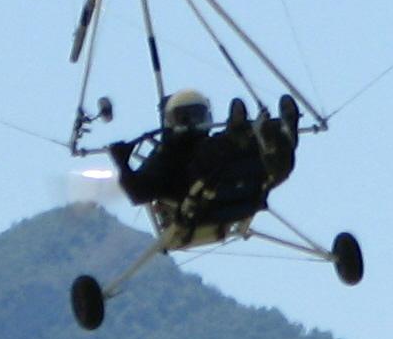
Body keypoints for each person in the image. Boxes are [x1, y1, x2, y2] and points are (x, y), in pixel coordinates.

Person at [108, 87, 302, 235]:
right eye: (184, 117)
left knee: (251, 158)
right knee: (221, 152)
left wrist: (123, 163)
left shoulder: (190, 148)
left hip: (233, 192)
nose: (192, 122)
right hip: (201, 206)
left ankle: (275, 136)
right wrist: (122, 163)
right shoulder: (166, 156)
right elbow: (137, 194)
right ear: (171, 121)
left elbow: (137, 193)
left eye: (197, 115)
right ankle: (259, 134)